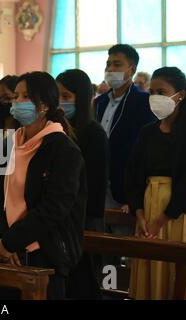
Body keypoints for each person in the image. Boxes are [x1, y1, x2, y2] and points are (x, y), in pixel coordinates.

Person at [0, 71, 87, 300]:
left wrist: (11, 241)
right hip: (10, 251)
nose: (16, 102)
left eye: (25, 97)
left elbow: (55, 207)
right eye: (15, 96)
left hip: (45, 252)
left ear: (43, 105)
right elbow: (0, 196)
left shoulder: (62, 149)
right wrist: (4, 242)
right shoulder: (12, 144)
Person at [126, 67, 186, 300]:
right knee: (149, 272)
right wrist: (139, 213)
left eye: (162, 92)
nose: (155, 98)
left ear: (180, 95)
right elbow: (133, 174)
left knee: (174, 271)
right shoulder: (147, 132)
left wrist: (162, 219)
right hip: (148, 206)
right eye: (152, 92)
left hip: (178, 212)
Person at [57, 69, 108, 299]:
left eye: (66, 96)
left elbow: (96, 185)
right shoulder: (56, 130)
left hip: (84, 218)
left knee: (84, 282)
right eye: (57, 95)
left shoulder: (93, 133)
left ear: (82, 97)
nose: (60, 102)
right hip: (61, 217)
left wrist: (85, 220)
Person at [95, 44, 156, 215]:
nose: (110, 69)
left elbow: (143, 152)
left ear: (132, 69)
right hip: (99, 185)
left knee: (124, 239)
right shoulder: (100, 103)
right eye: (108, 64)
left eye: (117, 64)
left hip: (125, 189)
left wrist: (135, 198)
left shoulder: (143, 102)